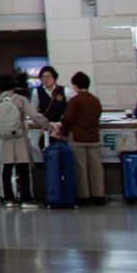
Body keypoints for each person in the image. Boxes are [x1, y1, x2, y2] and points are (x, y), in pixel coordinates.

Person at [58, 71, 106, 205]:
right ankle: (99, 195)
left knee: (81, 167)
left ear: (75, 86)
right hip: (93, 137)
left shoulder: (75, 100)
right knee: (96, 167)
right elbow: (98, 115)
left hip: (77, 137)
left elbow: (67, 119)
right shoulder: (95, 100)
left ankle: (84, 196)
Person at [0, 75, 40, 208]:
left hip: (3, 137)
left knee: (7, 168)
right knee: (22, 168)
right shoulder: (20, 99)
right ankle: (25, 199)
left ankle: (9, 198)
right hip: (19, 136)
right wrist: (47, 125)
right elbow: (34, 115)